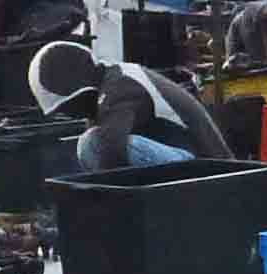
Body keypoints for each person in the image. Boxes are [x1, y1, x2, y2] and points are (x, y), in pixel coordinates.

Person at [31, 37, 233, 174]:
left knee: (92, 143)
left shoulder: (120, 86)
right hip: (190, 159)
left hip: (207, 167)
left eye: (67, 108)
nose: (70, 115)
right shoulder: (112, 79)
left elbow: (112, 146)